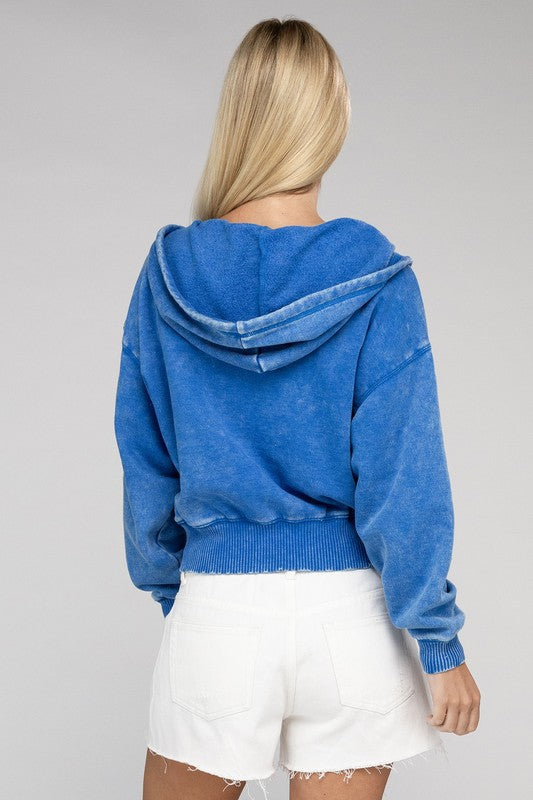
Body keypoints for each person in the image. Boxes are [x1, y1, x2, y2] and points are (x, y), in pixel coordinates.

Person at [113, 16, 481, 800]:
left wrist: (181, 592)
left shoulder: (167, 275)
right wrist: (436, 638)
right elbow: (403, 476)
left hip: (216, 617)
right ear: (329, 120)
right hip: (349, 623)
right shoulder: (377, 277)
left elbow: (143, 459)